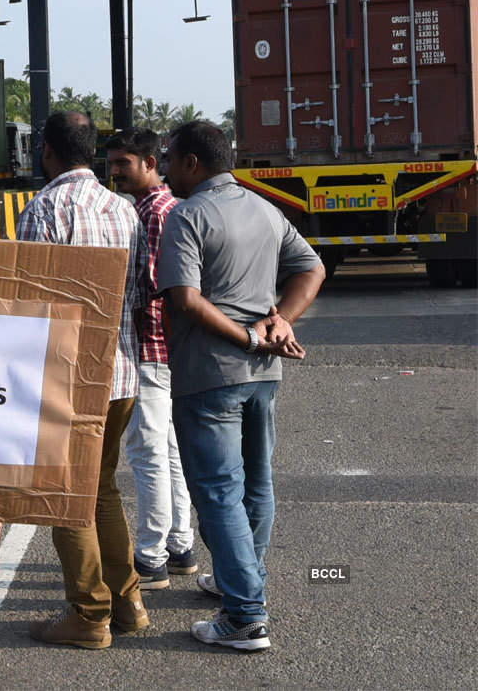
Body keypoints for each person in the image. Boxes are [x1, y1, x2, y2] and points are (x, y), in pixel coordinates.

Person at [156, 120, 324, 652]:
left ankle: (245, 616)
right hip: (264, 376)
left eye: (170, 160)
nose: (165, 171)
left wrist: (251, 336)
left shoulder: (187, 216)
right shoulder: (265, 209)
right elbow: (311, 269)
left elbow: (185, 298)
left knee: (219, 492)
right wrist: (282, 323)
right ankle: (240, 581)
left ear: (192, 163)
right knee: (256, 483)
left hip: (210, 374)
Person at [17, 111, 149, 650]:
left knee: (65, 494)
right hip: (120, 372)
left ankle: (89, 615)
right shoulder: (125, 211)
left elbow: (30, 301)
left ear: (47, 150)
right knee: (102, 489)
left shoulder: (43, 209)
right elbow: (138, 296)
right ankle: (129, 604)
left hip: (66, 376)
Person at [106, 128, 197, 591]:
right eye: (113, 164)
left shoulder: (155, 212)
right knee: (168, 451)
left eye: (124, 163)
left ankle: (151, 556)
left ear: (150, 162)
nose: (116, 172)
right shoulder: (150, 208)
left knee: (147, 453)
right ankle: (180, 545)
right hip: (161, 347)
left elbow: (157, 288)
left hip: (148, 344)